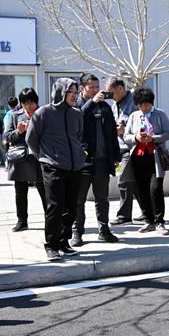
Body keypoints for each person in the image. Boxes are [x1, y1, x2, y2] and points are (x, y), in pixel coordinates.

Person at [26, 78, 85, 262]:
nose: (75, 96)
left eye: (76, 92)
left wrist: (79, 155)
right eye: (71, 92)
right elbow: (31, 139)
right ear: (61, 92)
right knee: (55, 207)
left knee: (71, 207)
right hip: (52, 166)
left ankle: (63, 241)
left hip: (75, 167)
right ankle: (51, 246)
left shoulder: (77, 114)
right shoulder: (43, 113)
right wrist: (45, 157)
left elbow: (78, 137)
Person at [71, 74, 121, 247]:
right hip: (83, 161)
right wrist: (91, 103)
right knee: (79, 199)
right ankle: (77, 232)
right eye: (91, 87)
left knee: (102, 199)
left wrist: (116, 155)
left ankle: (104, 230)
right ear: (82, 88)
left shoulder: (105, 107)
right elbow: (77, 119)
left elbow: (112, 133)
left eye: (97, 86)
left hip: (103, 160)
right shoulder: (77, 105)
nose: (95, 90)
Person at [121, 87, 169, 236]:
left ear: (152, 102)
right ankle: (149, 220)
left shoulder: (160, 114)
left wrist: (153, 138)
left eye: (147, 104)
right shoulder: (134, 116)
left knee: (155, 189)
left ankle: (159, 221)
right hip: (138, 157)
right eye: (141, 105)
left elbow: (168, 134)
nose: (144, 107)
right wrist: (136, 138)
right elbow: (126, 136)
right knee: (141, 189)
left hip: (155, 157)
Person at [4, 88, 47, 232]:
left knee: (45, 191)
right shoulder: (15, 115)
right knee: (20, 191)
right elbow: (7, 136)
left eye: (31, 103)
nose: (29, 106)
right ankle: (22, 221)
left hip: (40, 157)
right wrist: (19, 131)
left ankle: (51, 219)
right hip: (21, 158)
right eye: (25, 103)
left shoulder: (43, 113)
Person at [107, 78, 138, 226]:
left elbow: (142, 124)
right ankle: (148, 212)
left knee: (124, 180)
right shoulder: (115, 104)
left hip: (132, 148)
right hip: (119, 148)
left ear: (120, 88)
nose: (109, 95)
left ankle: (124, 216)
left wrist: (124, 130)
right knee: (134, 183)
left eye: (111, 92)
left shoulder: (134, 102)